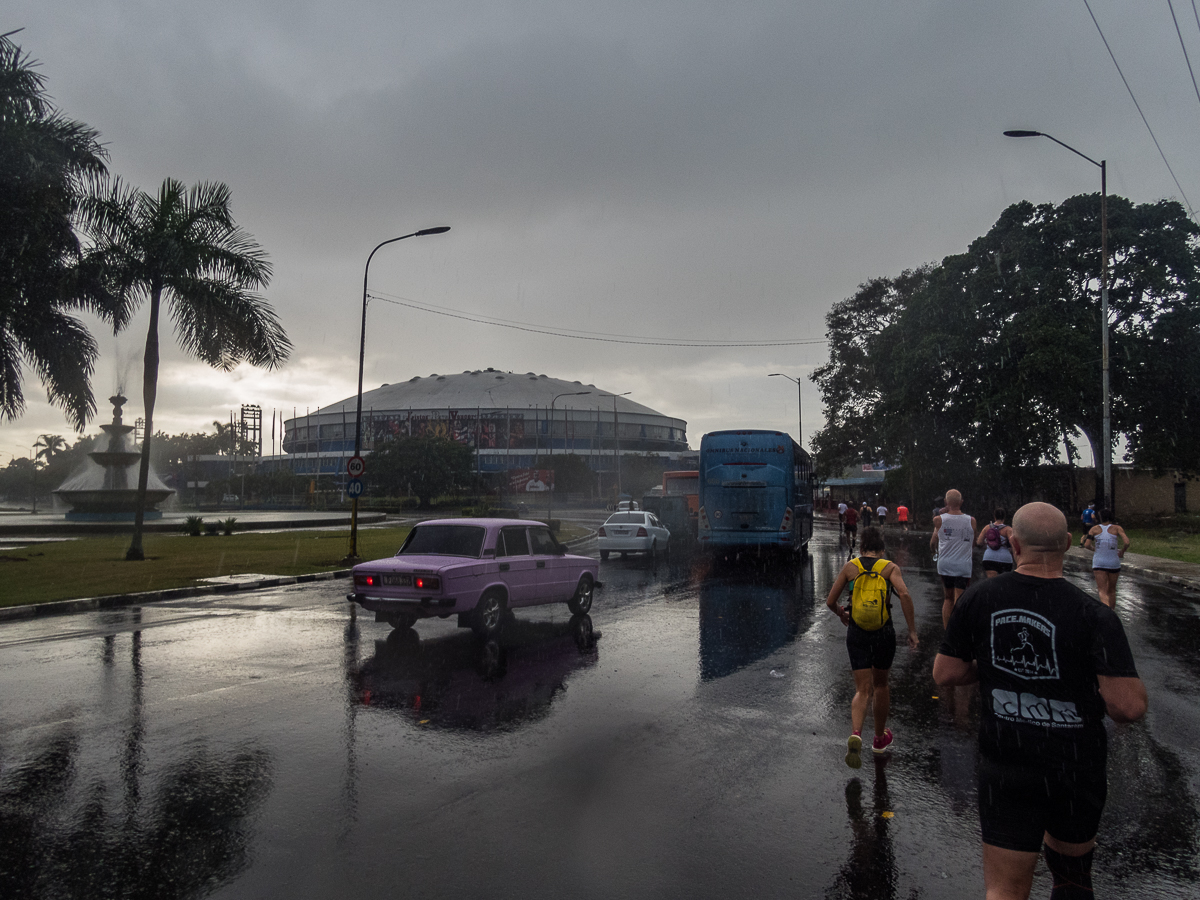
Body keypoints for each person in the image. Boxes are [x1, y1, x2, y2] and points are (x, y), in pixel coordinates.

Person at [933, 502, 1146, 900]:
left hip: (1007, 766)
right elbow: (1128, 707)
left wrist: (993, 665)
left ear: (1013, 544)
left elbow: (946, 674)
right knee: (1072, 881)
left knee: (1005, 890)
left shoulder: (979, 600)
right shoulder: (1093, 615)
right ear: (1067, 544)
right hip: (1075, 768)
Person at [825, 526, 918, 760]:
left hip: (856, 632)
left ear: (861, 547)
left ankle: (856, 733)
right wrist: (912, 631)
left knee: (861, 689)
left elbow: (830, 601)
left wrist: (841, 614)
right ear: (882, 548)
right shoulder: (889, 568)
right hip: (883, 633)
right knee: (881, 685)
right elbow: (905, 595)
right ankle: (878, 738)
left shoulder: (850, 567)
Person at [931, 489, 976, 627]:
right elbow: (972, 542)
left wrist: (935, 550)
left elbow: (933, 543)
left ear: (945, 502)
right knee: (960, 600)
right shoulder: (971, 521)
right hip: (963, 565)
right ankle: (959, 631)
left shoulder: (938, 520)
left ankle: (947, 631)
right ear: (961, 502)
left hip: (945, 565)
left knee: (948, 598)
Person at [1083, 509, 1130, 609]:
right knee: (1112, 590)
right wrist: (1122, 552)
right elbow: (1126, 542)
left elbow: (1087, 545)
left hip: (1099, 562)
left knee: (1102, 591)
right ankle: (1112, 612)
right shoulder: (1117, 528)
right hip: (1113, 562)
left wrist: (1094, 549)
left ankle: (1106, 612)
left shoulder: (1094, 529)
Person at [976, 508, 1014, 578]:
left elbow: (979, 542)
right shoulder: (1008, 529)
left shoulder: (987, 528)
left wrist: (988, 543)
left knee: (992, 584)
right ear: (1004, 517)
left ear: (994, 517)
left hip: (989, 558)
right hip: (1005, 559)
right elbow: (1013, 545)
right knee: (1004, 583)